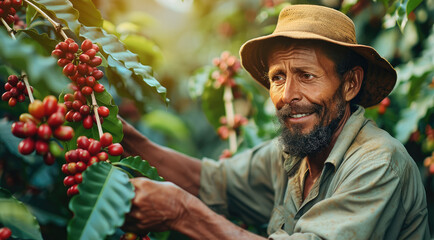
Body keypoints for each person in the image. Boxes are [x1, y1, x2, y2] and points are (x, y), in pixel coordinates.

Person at [120, 4, 430, 239]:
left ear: (350, 84)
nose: (287, 95)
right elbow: (208, 180)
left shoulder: (378, 165)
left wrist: (180, 211)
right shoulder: (292, 154)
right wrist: (123, 135)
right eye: (277, 78)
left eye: (306, 76)